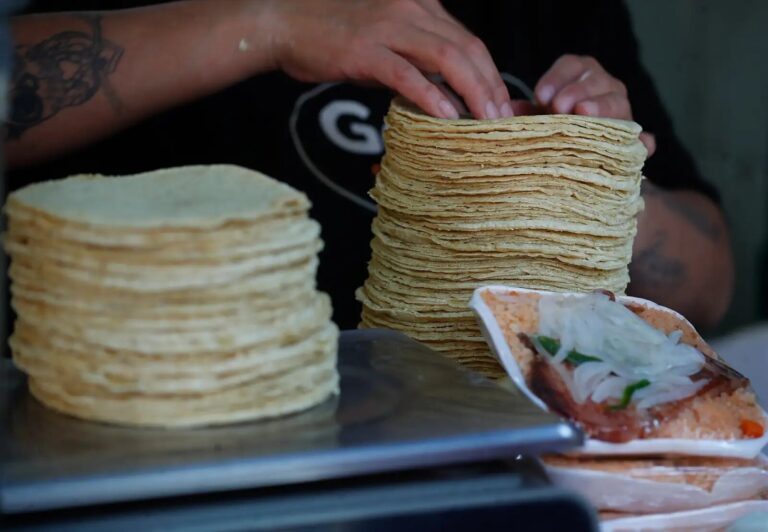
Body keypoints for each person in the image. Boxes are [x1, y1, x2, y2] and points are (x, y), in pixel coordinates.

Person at [4, 0, 734, 331]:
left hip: (492, 450)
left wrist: (588, 176)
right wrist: (267, 25)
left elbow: (709, 293)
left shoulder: (550, 12)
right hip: (170, 431)